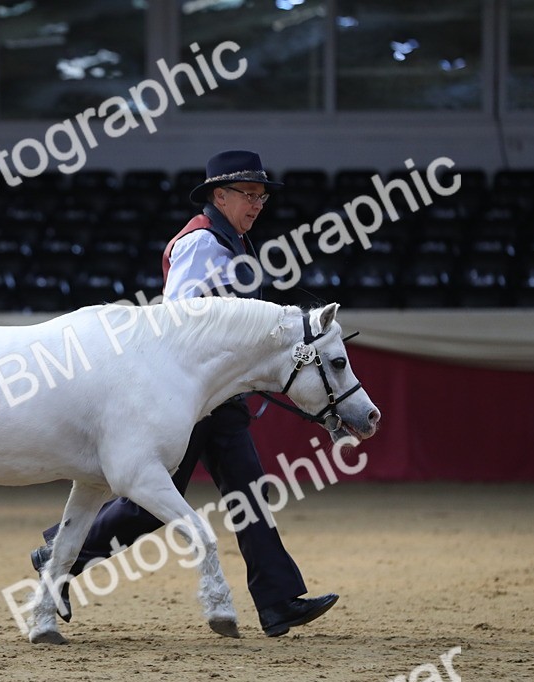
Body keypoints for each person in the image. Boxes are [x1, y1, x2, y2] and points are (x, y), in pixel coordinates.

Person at [31, 149, 338, 637]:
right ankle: (62, 554)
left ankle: (278, 600)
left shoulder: (234, 240)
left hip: (215, 395)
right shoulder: (202, 242)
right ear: (220, 195)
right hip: (193, 395)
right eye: (249, 195)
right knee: (146, 500)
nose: (258, 204)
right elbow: (178, 319)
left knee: (246, 494)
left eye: (261, 196)